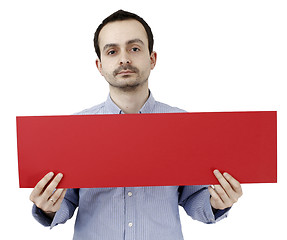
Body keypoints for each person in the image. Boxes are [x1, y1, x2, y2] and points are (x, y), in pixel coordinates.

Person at [30, 10, 243, 240]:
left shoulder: (182, 125)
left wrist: (218, 202)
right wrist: (48, 207)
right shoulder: (74, 129)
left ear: (152, 59)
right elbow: (68, 200)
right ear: (99, 66)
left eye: (134, 48)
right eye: (112, 51)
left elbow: (193, 198)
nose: (124, 59)